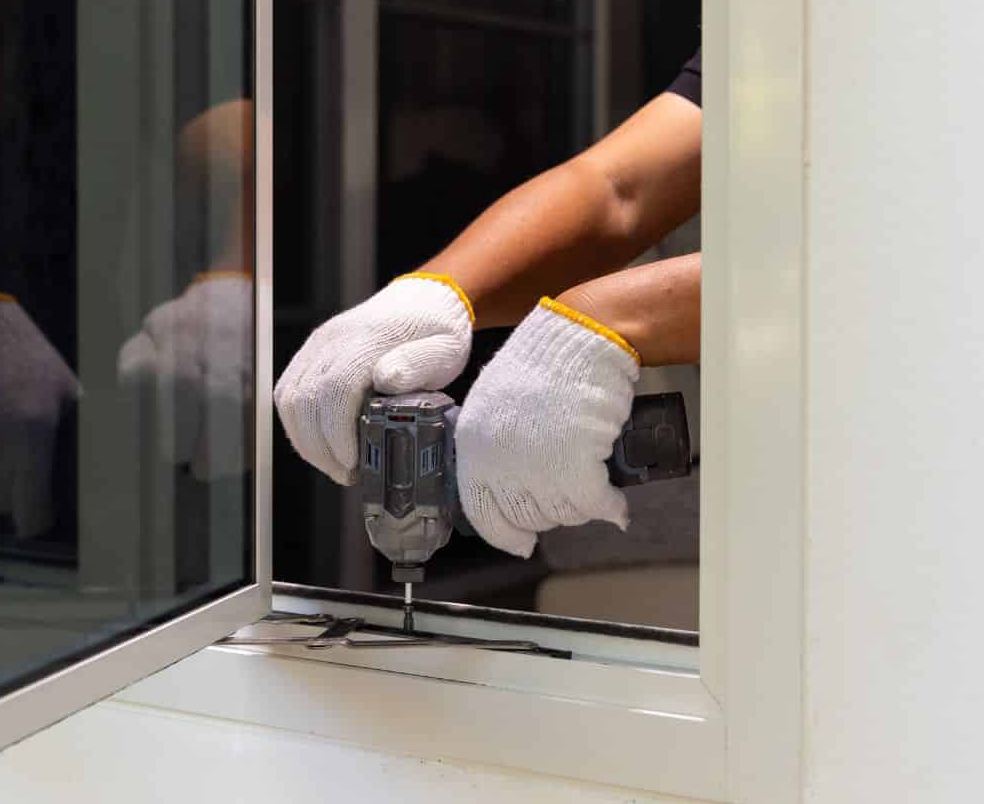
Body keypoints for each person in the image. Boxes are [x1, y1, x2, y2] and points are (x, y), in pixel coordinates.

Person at [276, 52, 705, 557]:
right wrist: (437, 291)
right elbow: (621, 190)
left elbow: (824, 269)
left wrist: (606, 322)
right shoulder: (763, 11)